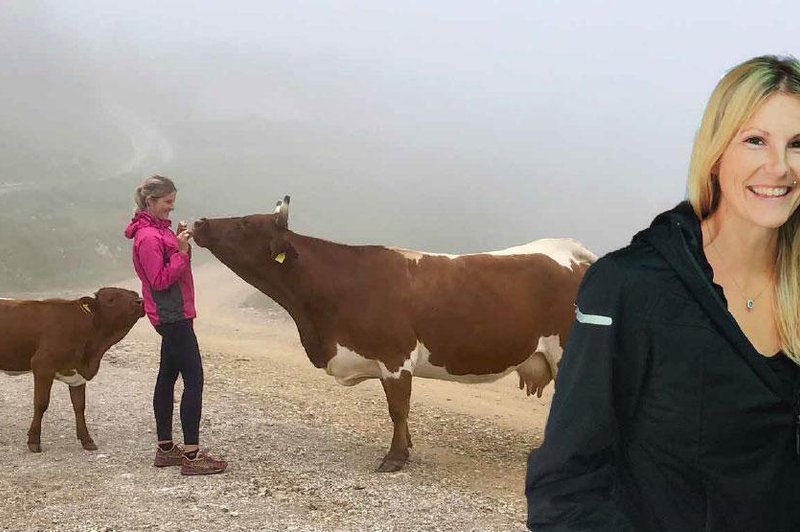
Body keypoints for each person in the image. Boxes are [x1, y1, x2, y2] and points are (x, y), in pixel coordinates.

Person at [525, 55, 800, 531]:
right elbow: (565, 491)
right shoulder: (628, 286)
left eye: (799, 144)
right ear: (716, 152)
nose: (779, 167)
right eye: (755, 140)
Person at [125, 175, 227, 476]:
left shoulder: (157, 231)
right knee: (194, 378)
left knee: (168, 375)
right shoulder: (147, 237)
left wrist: (181, 243)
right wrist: (180, 252)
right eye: (167, 202)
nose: (172, 207)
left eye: (173, 201)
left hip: (174, 313)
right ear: (151, 202)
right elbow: (159, 280)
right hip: (172, 316)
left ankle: (167, 449)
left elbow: (174, 264)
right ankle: (192, 456)